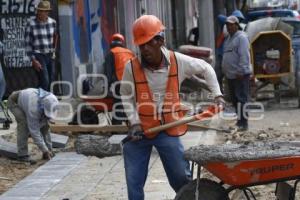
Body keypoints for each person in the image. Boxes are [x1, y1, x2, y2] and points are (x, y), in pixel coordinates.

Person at [120, 15, 224, 199]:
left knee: (180, 178)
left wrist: (218, 95)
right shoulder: (131, 67)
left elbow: (206, 69)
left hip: (168, 130)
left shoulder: (178, 61)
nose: (144, 49)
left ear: (160, 41)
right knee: (133, 182)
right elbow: (126, 96)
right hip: (140, 132)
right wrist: (134, 122)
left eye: (147, 43)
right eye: (140, 45)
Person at [7, 88, 59, 164]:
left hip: (26, 98)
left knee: (45, 125)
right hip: (15, 102)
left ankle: (49, 150)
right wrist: (44, 149)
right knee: (24, 125)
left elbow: (44, 122)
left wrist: (47, 150)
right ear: (42, 106)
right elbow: (34, 132)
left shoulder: (52, 99)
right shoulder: (33, 108)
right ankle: (22, 155)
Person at [222, 15, 251, 131]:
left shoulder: (241, 37)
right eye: (227, 25)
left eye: (231, 25)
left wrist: (241, 70)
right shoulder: (229, 38)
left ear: (237, 25)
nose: (229, 27)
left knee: (241, 99)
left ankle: (244, 123)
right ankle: (239, 121)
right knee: (234, 99)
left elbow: (244, 55)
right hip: (230, 75)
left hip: (240, 75)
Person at [25, 0, 58, 91]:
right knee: (45, 80)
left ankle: (41, 100)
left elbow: (55, 36)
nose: (40, 13)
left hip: (50, 54)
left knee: (50, 80)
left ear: (47, 12)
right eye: (39, 10)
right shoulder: (31, 24)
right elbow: (27, 43)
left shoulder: (53, 23)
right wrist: (33, 60)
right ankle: (40, 102)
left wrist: (54, 51)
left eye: (43, 11)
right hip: (38, 55)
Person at [103, 33, 135, 124]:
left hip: (119, 82)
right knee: (130, 102)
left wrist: (107, 87)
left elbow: (108, 72)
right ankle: (131, 121)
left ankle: (117, 126)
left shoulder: (111, 53)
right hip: (132, 81)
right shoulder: (130, 52)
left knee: (118, 103)